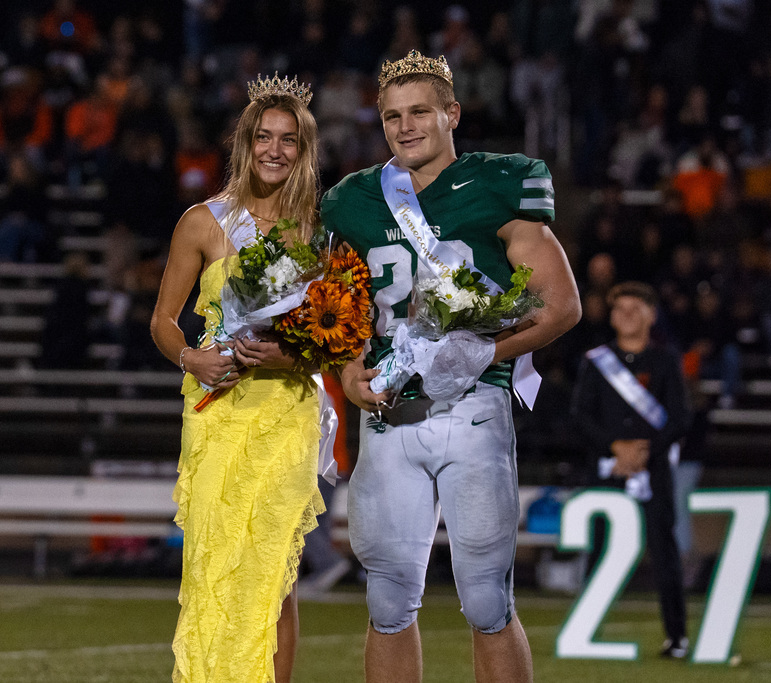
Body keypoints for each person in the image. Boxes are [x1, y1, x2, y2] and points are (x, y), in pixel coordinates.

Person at [321, 50, 581, 683]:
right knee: (387, 602)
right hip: (389, 414)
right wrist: (350, 370)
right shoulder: (354, 198)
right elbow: (340, 300)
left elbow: (561, 305)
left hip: (473, 407)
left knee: (488, 600)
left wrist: (488, 352)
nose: (405, 127)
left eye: (419, 112)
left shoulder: (498, 182)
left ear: (452, 114)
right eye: (392, 116)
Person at [150, 74, 325, 683]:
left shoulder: (317, 230)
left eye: (289, 140)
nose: (275, 150)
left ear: (304, 150)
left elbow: (332, 338)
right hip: (217, 410)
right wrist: (191, 359)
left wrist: (287, 358)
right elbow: (162, 321)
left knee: (275, 574)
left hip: (287, 414)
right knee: (213, 563)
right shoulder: (203, 222)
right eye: (263, 137)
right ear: (245, 144)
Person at [570, 281, 692, 659]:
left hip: (652, 471)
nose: (625, 315)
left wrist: (643, 451)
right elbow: (580, 416)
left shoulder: (666, 361)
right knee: (598, 550)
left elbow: (680, 418)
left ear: (651, 315)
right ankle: (585, 633)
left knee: (664, 553)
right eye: (619, 309)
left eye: (634, 309)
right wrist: (615, 446)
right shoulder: (596, 361)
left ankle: (677, 636)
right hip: (607, 470)